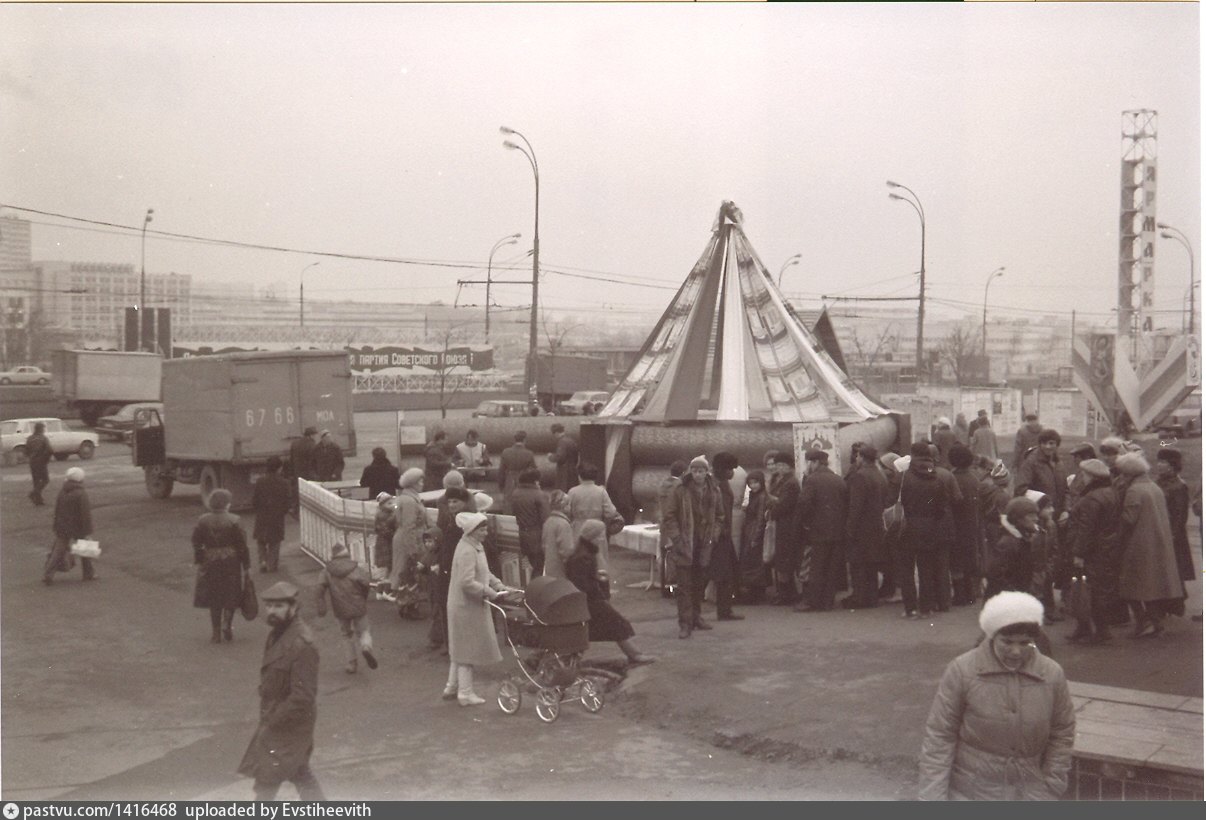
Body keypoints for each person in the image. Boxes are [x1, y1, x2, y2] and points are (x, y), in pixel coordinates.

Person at [918, 591, 1075, 800]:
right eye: (1007, 642)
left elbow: (1062, 732)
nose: (1016, 651)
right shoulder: (962, 671)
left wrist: (1052, 784)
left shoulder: (1052, 674)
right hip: (970, 793)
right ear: (992, 636)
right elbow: (940, 736)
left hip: (1031, 793)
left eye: (1025, 642)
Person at [237, 581, 325, 801]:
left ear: (293, 607)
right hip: (278, 717)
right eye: (269, 606)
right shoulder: (278, 633)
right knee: (298, 772)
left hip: (289, 723)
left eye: (278, 606)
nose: (272, 611)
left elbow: (303, 697)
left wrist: (274, 720)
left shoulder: (302, 644)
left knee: (267, 780)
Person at [443, 511, 518, 706]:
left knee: (459, 647)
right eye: (482, 529)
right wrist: (489, 592)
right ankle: (465, 693)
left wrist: (499, 585)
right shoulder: (468, 550)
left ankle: (452, 686)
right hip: (465, 606)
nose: (486, 532)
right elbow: (466, 582)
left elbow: (485, 572)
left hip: (465, 605)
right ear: (473, 531)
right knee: (467, 649)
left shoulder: (473, 546)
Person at [1115, 451, 1186, 637]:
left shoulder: (1134, 490)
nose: (1122, 477)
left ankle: (1144, 621)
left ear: (1130, 473)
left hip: (1138, 546)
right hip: (1157, 544)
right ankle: (1155, 623)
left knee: (1131, 587)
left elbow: (1128, 520)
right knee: (1150, 588)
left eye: (1123, 473)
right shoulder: (1154, 487)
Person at [565, 522, 657, 665]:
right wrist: (598, 581)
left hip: (586, 601)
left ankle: (567, 660)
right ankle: (635, 655)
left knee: (588, 631)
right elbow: (582, 584)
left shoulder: (583, 552)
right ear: (593, 536)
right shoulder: (584, 556)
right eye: (600, 534)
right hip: (591, 601)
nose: (602, 538)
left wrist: (595, 577)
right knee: (614, 624)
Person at [662, 454, 724, 638]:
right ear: (691, 471)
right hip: (685, 543)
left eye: (701, 471)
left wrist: (714, 534)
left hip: (704, 543)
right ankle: (685, 623)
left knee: (699, 584)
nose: (698, 474)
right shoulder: (680, 490)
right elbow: (669, 516)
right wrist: (677, 538)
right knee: (684, 586)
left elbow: (720, 516)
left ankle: (696, 617)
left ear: (707, 472)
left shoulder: (714, 490)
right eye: (695, 470)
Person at [900, 442, 957, 617]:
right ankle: (926, 608)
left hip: (909, 526)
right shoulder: (935, 477)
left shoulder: (905, 476)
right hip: (931, 526)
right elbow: (942, 506)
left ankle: (910, 608)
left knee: (906, 569)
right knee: (926, 568)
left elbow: (900, 501)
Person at [1066, 458, 1120, 644]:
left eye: (1085, 474)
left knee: (1089, 589)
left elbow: (1086, 528)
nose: (1083, 477)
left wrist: (1079, 553)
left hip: (1091, 551)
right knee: (1092, 588)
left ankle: (1100, 631)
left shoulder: (1092, 498)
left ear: (1092, 477)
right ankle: (1085, 628)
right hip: (1105, 548)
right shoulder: (1110, 492)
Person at [191, 488, 250, 644]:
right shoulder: (235, 520)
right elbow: (242, 546)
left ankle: (215, 633)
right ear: (227, 504)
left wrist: (200, 558)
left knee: (214, 596)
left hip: (210, 559)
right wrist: (247, 565)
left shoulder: (202, 520)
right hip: (231, 559)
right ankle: (227, 624)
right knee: (230, 593)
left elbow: (196, 542)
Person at [794, 449, 848, 613]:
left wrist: (804, 524)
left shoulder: (812, 480)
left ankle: (813, 602)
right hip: (837, 531)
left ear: (814, 462)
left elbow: (804, 505)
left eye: (808, 462)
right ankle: (827, 602)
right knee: (832, 568)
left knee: (817, 567)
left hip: (817, 532)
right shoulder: (839, 480)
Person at [315, 542, 377, 674]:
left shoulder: (327, 571)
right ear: (347, 554)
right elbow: (365, 584)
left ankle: (351, 663)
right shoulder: (356, 568)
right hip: (358, 604)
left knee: (346, 634)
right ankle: (366, 647)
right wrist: (363, 597)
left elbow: (320, 588)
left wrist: (321, 604)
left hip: (340, 608)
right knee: (364, 630)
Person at [843, 445, 889, 609]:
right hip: (876, 525)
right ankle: (871, 597)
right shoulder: (880, 474)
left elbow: (856, 506)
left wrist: (849, 528)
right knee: (871, 565)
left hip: (862, 528)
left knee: (859, 564)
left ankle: (859, 598)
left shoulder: (860, 476)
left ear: (861, 457)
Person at [432, 486, 472, 652]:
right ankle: (451, 644)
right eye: (449, 502)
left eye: (456, 501)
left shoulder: (466, 522)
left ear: (464, 503)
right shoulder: (451, 519)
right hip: (447, 569)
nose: (452, 504)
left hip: (457, 569)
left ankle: (457, 645)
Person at [42, 466, 96, 584]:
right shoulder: (81, 493)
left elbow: (58, 510)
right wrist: (88, 531)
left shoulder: (63, 491)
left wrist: (56, 526)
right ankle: (88, 573)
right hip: (78, 526)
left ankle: (48, 574)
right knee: (85, 549)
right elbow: (85, 514)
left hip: (63, 526)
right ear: (80, 479)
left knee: (58, 551)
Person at [566, 462, 621, 574]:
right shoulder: (601, 491)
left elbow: (567, 512)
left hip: (578, 529)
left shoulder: (573, 492)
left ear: (580, 476)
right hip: (597, 530)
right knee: (599, 563)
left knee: (579, 564)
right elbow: (610, 512)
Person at [708, 452, 744, 621]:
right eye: (730, 469)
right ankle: (722, 611)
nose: (732, 472)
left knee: (726, 574)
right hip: (718, 535)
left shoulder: (722, 483)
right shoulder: (715, 485)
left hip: (723, 534)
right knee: (721, 574)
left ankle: (725, 610)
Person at [1154, 448, 1197, 587]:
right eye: (1158, 462)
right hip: (1158, 532)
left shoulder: (1179, 486)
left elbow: (1180, 516)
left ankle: (1176, 605)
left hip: (1172, 536)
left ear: (1172, 465)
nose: (1159, 465)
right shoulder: (1158, 482)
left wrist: (1171, 537)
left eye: (1163, 462)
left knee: (1174, 574)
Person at [948, 444, 984, 607]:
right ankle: (970, 594)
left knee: (956, 562)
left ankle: (959, 595)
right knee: (969, 559)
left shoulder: (951, 478)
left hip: (955, 524)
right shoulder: (975, 478)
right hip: (972, 523)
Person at [766, 452, 802, 605]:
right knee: (781, 559)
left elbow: (784, 505)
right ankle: (786, 592)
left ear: (789, 467)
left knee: (784, 560)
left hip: (786, 525)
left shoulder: (791, 483)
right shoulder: (781, 480)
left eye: (782, 465)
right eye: (778, 465)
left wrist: (771, 509)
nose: (779, 468)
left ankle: (786, 594)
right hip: (781, 524)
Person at [391, 468, 428, 617]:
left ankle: (405, 605)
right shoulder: (410, 501)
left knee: (404, 572)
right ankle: (409, 606)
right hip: (410, 539)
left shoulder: (404, 498)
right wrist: (414, 549)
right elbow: (409, 526)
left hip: (403, 538)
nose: (422, 483)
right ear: (413, 483)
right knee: (410, 572)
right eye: (420, 481)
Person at [251, 456, 291, 573]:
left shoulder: (260, 481)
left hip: (262, 515)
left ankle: (262, 561)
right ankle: (271, 564)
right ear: (279, 468)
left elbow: (255, 500)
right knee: (275, 541)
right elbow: (287, 502)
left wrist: (259, 510)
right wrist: (283, 511)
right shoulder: (284, 483)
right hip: (277, 516)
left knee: (261, 540)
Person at [510, 466, 550, 578]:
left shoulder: (515, 493)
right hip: (535, 535)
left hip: (519, 534)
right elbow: (546, 518)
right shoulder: (539, 495)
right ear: (536, 481)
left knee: (524, 567)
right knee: (537, 566)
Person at [738, 469, 770, 603]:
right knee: (753, 563)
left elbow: (760, 518)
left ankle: (757, 594)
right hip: (750, 531)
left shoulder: (761, 497)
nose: (753, 485)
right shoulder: (754, 495)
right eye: (750, 483)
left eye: (755, 482)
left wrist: (756, 537)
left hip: (754, 532)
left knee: (754, 563)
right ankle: (755, 592)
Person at [497, 430, 537, 511]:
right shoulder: (529, 453)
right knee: (523, 505)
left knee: (509, 505)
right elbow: (534, 472)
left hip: (509, 481)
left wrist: (501, 488)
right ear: (525, 440)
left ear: (514, 440)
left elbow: (501, 472)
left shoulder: (506, 452)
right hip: (524, 482)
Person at [541, 489, 575, 579]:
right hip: (561, 570)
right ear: (564, 506)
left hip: (549, 567)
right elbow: (567, 550)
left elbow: (544, 545)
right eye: (569, 505)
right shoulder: (563, 524)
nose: (571, 508)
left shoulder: (548, 522)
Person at [288, 426, 318, 513]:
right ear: (311, 435)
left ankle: (296, 508)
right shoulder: (312, 445)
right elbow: (314, 460)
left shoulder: (295, 443)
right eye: (315, 434)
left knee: (298, 490)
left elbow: (291, 459)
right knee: (309, 491)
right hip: (309, 472)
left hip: (297, 471)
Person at [25, 420, 52, 506]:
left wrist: (31, 456)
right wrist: (46, 459)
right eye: (43, 428)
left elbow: (26, 451)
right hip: (41, 461)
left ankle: (38, 500)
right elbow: (50, 450)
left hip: (32, 462)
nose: (44, 430)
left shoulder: (29, 438)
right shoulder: (43, 438)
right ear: (40, 429)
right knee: (45, 479)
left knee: (36, 481)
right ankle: (33, 493)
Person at [372, 492, 397, 582]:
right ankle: (385, 584)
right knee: (387, 565)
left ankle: (387, 583)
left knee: (390, 565)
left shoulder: (389, 513)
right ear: (382, 505)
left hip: (387, 542)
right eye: (389, 503)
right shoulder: (382, 515)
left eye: (393, 502)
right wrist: (394, 534)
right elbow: (383, 530)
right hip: (385, 543)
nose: (393, 505)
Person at [549, 423, 580, 493]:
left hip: (564, 473)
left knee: (563, 492)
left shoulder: (562, 442)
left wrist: (551, 457)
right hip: (573, 470)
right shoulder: (572, 441)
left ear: (556, 433)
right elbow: (576, 457)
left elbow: (560, 457)